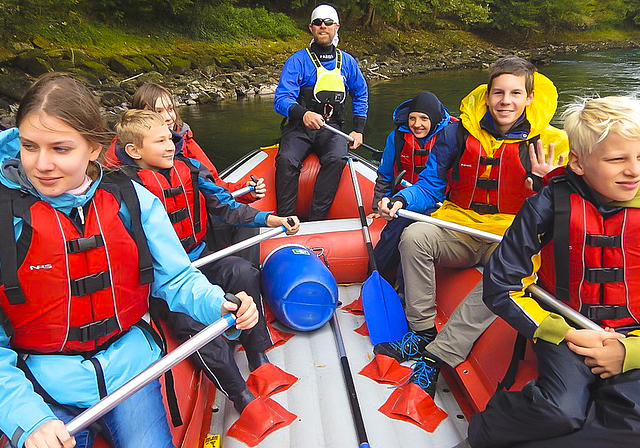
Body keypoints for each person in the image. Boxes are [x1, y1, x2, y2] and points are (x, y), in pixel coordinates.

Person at [0, 73, 258, 448]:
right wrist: (28, 418)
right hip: (40, 383)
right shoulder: (7, 219)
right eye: (29, 146)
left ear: (92, 148)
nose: (41, 164)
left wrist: (219, 304)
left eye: (60, 149)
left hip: (128, 370)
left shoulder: (131, 201)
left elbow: (176, 280)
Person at [375, 56, 569, 397]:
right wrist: (403, 200)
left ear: (529, 97)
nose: (505, 101)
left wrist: (545, 183)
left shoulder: (552, 142)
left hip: (510, 234)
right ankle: (421, 331)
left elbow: (563, 208)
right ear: (488, 94)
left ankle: (437, 356)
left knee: (505, 270)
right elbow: (431, 185)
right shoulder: (457, 133)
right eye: (498, 93)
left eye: (515, 93)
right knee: (414, 236)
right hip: (461, 226)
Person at [464, 96, 640, 448]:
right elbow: (501, 285)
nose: (634, 170)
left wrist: (630, 353)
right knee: (560, 411)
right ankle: (483, 432)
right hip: (568, 328)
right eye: (617, 159)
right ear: (577, 161)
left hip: (634, 335)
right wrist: (559, 333)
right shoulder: (546, 204)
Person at [113, 109, 300, 414]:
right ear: (134, 151)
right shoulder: (125, 190)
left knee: (243, 272)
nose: (170, 145)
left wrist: (270, 217)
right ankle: (240, 395)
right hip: (166, 281)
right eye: (160, 141)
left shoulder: (189, 168)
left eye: (170, 139)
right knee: (190, 322)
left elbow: (226, 206)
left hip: (203, 259)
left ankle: (257, 354)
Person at [273, 3, 369, 220]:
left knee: (337, 158)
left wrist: (358, 129)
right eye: (318, 23)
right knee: (287, 159)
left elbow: (361, 94)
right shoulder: (297, 61)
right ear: (311, 28)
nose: (322, 27)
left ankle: (317, 218)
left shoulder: (348, 62)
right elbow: (281, 100)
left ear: (336, 27)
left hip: (331, 127)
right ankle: (286, 217)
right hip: (299, 128)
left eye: (327, 23)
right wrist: (303, 114)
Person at [370, 91, 454, 282]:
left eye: (424, 118)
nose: (417, 124)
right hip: (404, 200)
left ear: (433, 118)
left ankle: (403, 286)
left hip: (440, 203)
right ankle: (375, 277)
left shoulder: (450, 138)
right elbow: (384, 175)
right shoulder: (397, 138)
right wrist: (377, 206)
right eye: (412, 118)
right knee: (394, 230)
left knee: (411, 232)